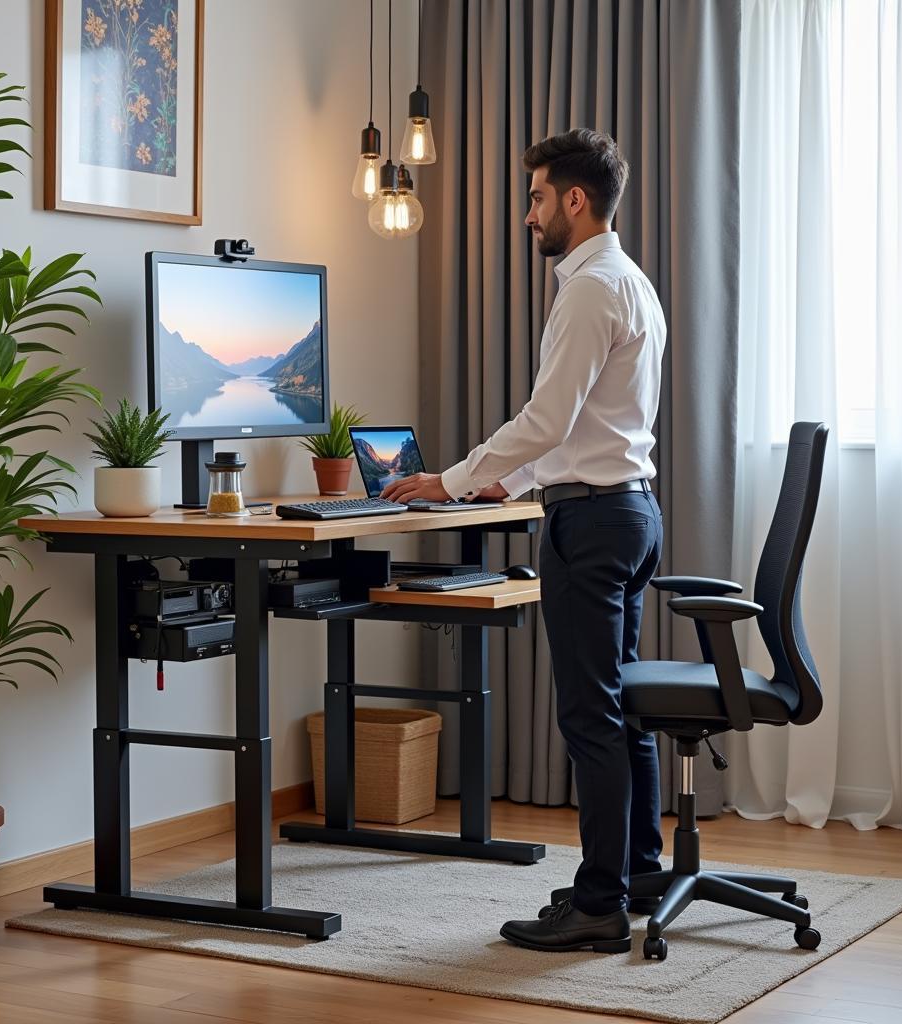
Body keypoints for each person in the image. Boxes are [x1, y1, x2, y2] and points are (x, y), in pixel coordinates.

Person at [381, 128, 667, 954]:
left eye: (537, 196)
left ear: (574, 200)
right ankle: (634, 877)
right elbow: (589, 424)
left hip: (594, 522)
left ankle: (599, 905)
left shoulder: (587, 288)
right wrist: (523, 479)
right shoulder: (630, 281)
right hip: (630, 508)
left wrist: (454, 479)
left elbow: (549, 418)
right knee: (624, 714)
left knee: (591, 718)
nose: (528, 213)